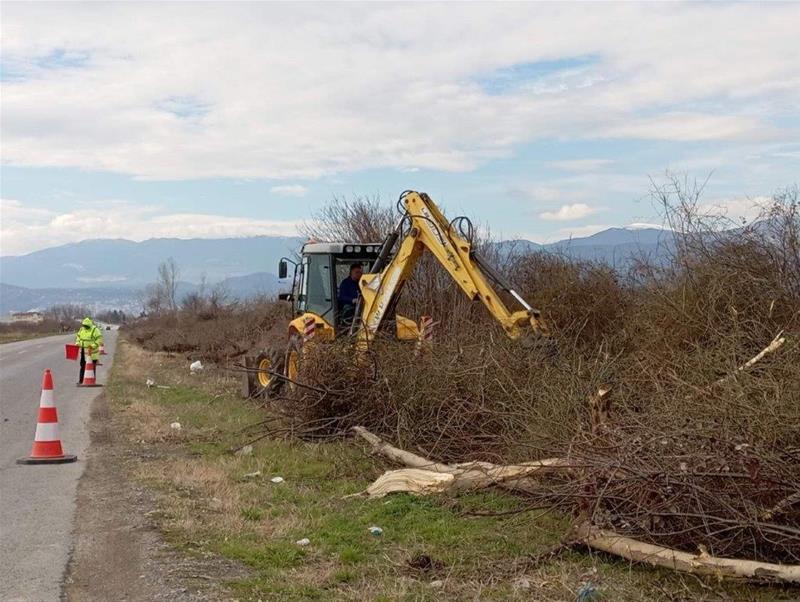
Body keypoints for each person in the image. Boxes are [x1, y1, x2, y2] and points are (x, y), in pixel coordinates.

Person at [75, 317, 104, 384]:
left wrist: (93, 345)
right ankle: (81, 381)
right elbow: (78, 337)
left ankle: (92, 381)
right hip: (83, 351)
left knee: (92, 367)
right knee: (82, 366)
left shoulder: (95, 330)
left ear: (89, 325)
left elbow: (99, 339)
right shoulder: (82, 329)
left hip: (92, 352)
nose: (85, 327)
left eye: (86, 326)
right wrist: (77, 342)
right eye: (84, 325)